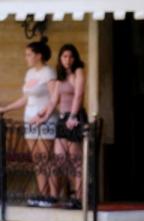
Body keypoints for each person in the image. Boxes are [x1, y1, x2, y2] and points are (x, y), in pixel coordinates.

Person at [0, 37, 57, 207]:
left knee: (46, 157)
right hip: (29, 119)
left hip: (44, 120)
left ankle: (53, 195)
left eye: (29, 54)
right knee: (37, 159)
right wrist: (5, 109)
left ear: (38, 56)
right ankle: (42, 194)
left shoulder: (49, 72)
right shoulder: (30, 73)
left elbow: (54, 98)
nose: (26, 57)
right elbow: (25, 98)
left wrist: (43, 115)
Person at [52, 44, 87, 209]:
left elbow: (79, 95)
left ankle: (80, 197)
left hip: (74, 117)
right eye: (64, 56)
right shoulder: (60, 74)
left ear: (75, 58)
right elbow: (54, 100)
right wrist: (42, 116)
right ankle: (71, 191)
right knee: (59, 158)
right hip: (62, 117)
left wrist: (72, 116)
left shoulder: (78, 71)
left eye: (71, 56)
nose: (68, 60)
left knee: (75, 159)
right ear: (60, 58)